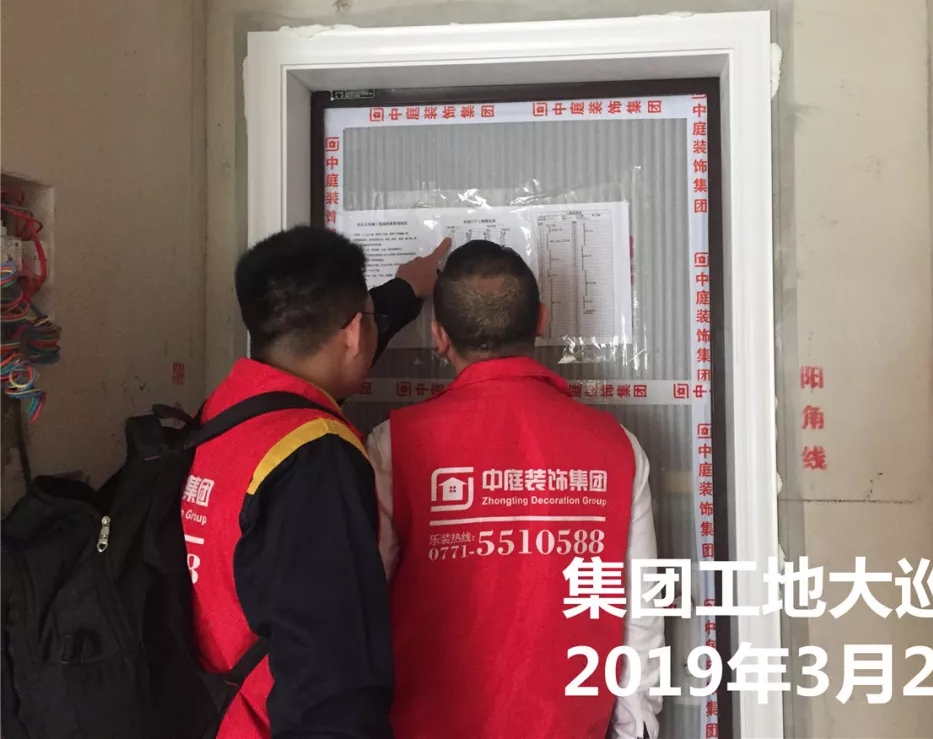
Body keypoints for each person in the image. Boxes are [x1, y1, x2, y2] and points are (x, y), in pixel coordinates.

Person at [366, 240, 664, 739]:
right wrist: (636, 730)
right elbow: (641, 615)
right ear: (541, 320)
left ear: (439, 336)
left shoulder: (393, 444)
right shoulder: (617, 447)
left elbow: (359, 604)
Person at [180, 225, 449, 739]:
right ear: (354, 333)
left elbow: (320, 368)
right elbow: (330, 679)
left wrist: (401, 293)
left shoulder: (228, 409)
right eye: (369, 319)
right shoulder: (316, 458)